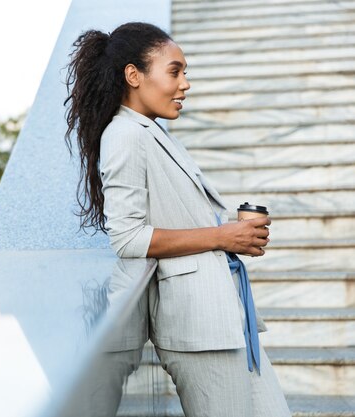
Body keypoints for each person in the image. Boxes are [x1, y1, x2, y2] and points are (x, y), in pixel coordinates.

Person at [64, 22, 291, 417]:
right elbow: (128, 237)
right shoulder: (124, 135)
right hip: (197, 328)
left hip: (221, 315)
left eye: (185, 72)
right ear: (133, 75)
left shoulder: (151, 131)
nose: (185, 83)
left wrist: (232, 230)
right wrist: (223, 236)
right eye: (175, 71)